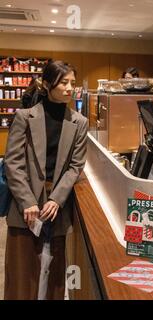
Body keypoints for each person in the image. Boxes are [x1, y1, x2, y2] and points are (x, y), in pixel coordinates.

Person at [3, 60, 88, 300]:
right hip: (25, 206)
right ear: (49, 84)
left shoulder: (79, 122)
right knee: (22, 272)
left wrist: (57, 199)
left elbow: (75, 166)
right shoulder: (24, 117)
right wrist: (27, 201)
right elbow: (13, 162)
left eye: (73, 82)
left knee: (54, 273)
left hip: (55, 208)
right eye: (64, 82)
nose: (70, 88)